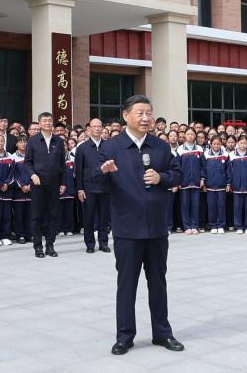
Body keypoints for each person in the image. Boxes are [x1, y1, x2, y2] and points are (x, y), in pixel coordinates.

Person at [98, 95, 184, 356]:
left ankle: (162, 333)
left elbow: (177, 174)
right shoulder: (111, 148)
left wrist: (162, 177)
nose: (146, 118)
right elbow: (92, 179)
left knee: (158, 282)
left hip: (157, 227)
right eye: (140, 113)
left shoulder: (160, 146)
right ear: (126, 116)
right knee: (127, 284)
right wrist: (102, 171)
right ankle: (124, 336)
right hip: (127, 229)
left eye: (149, 112)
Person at [24, 113, 65, 258]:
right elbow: (27, 162)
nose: (47, 123)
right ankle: (38, 247)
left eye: (50, 120)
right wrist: (32, 175)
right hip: (38, 183)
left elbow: (62, 164)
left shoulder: (59, 141)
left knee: (53, 215)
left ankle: (50, 245)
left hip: (54, 184)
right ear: (40, 124)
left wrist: (63, 182)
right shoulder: (33, 141)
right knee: (37, 216)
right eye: (44, 121)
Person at [75, 118, 111, 253]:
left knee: (104, 217)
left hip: (105, 187)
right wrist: (80, 189)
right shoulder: (82, 147)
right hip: (88, 188)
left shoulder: (108, 146)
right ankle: (90, 244)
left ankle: (103, 243)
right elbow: (78, 170)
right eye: (94, 126)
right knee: (88, 218)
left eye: (99, 126)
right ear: (89, 129)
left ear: (102, 128)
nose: (97, 128)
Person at [202, 137, 229, 234]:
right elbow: (203, 169)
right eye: (214, 144)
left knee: (221, 206)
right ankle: (213, 225)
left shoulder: (225, 155)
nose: (216, 146)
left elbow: (228, 170)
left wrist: (228, 183)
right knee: (212, 206)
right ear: (211, 144)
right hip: (210, 186)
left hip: (222, 186)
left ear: (221, 144)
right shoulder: (206, 155)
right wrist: (203, 183)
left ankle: (221, 225)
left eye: (218, 144)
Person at [227, 137, 247, 233]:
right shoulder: (231, 155)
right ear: (237, 143)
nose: (243, 145)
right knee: (237, 207)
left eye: (245, 143)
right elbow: (229, 172)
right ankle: (238, 226)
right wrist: (229, 183)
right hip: (237, 186)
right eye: (241, 143)